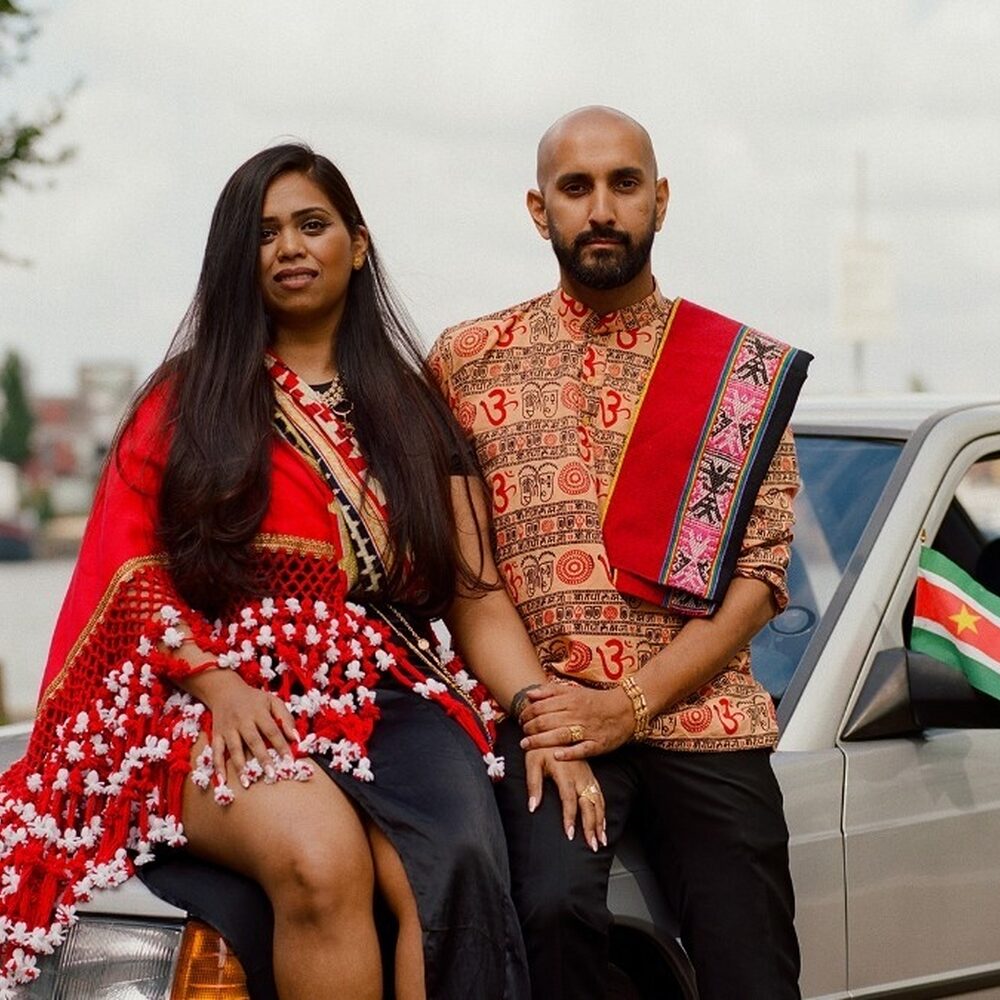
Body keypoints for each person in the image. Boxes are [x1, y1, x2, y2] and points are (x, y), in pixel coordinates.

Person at [0, 143, 604, 1000]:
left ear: (356, 245)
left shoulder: (414, 409)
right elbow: (130, 567)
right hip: (213, 693)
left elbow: (475, 590)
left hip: (388, 694)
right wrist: (215, 683)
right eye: (264, 231)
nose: (288, 246)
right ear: (235, 258)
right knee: (321, 859)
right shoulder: (187, 400)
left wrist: (546, 719)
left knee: (456, 862)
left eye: (311, 225)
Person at [429, 106, 812, 999]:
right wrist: (553, 715)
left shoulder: (739, 372)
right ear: (539, 209)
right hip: (553, 719)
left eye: (623, 184)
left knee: (754, 968)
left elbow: (759, 582)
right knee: (552, 916)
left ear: (661, 200)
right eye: (576, 187)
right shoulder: (468, 360)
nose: (601, 208)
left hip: (705, 717)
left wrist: (630, 705)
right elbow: (466, 579)